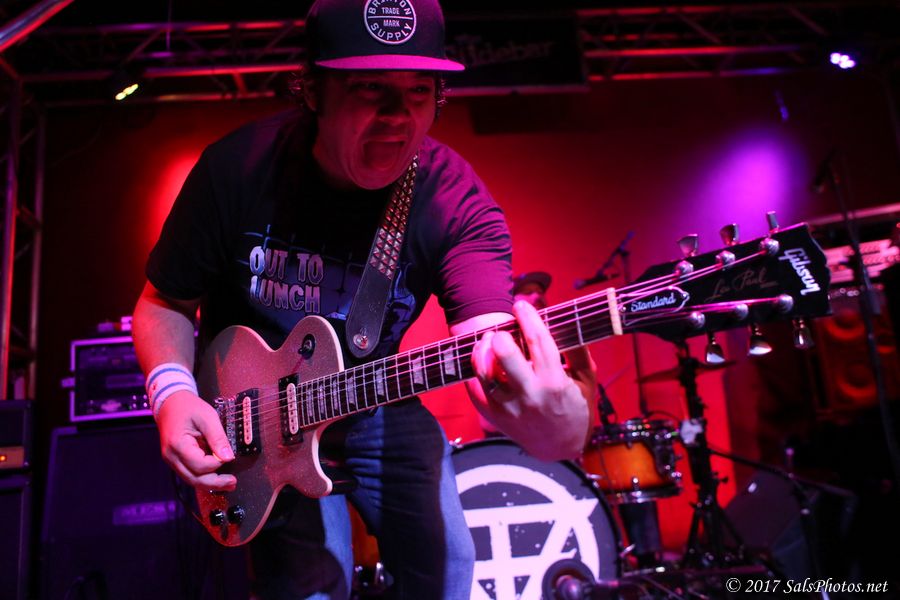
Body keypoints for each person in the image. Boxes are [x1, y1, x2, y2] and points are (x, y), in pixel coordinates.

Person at [131, 0, 590, 598]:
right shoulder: (235, 170)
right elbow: (163, 303)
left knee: (446, 572)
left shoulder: (454, 201)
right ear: (312, 90)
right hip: (253, 419)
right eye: (370, 87)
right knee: (311, 587)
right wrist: (171, 394)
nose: (398, 115)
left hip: (376, 395)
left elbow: (486, 340)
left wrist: (554, 421)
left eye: (419, 91)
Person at [480, 271, 599, 439]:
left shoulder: (559, 342)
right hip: (506, 439)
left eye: (540, 292)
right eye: (528, 292)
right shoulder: (497, 340)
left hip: (555, 433)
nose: (537, 296)